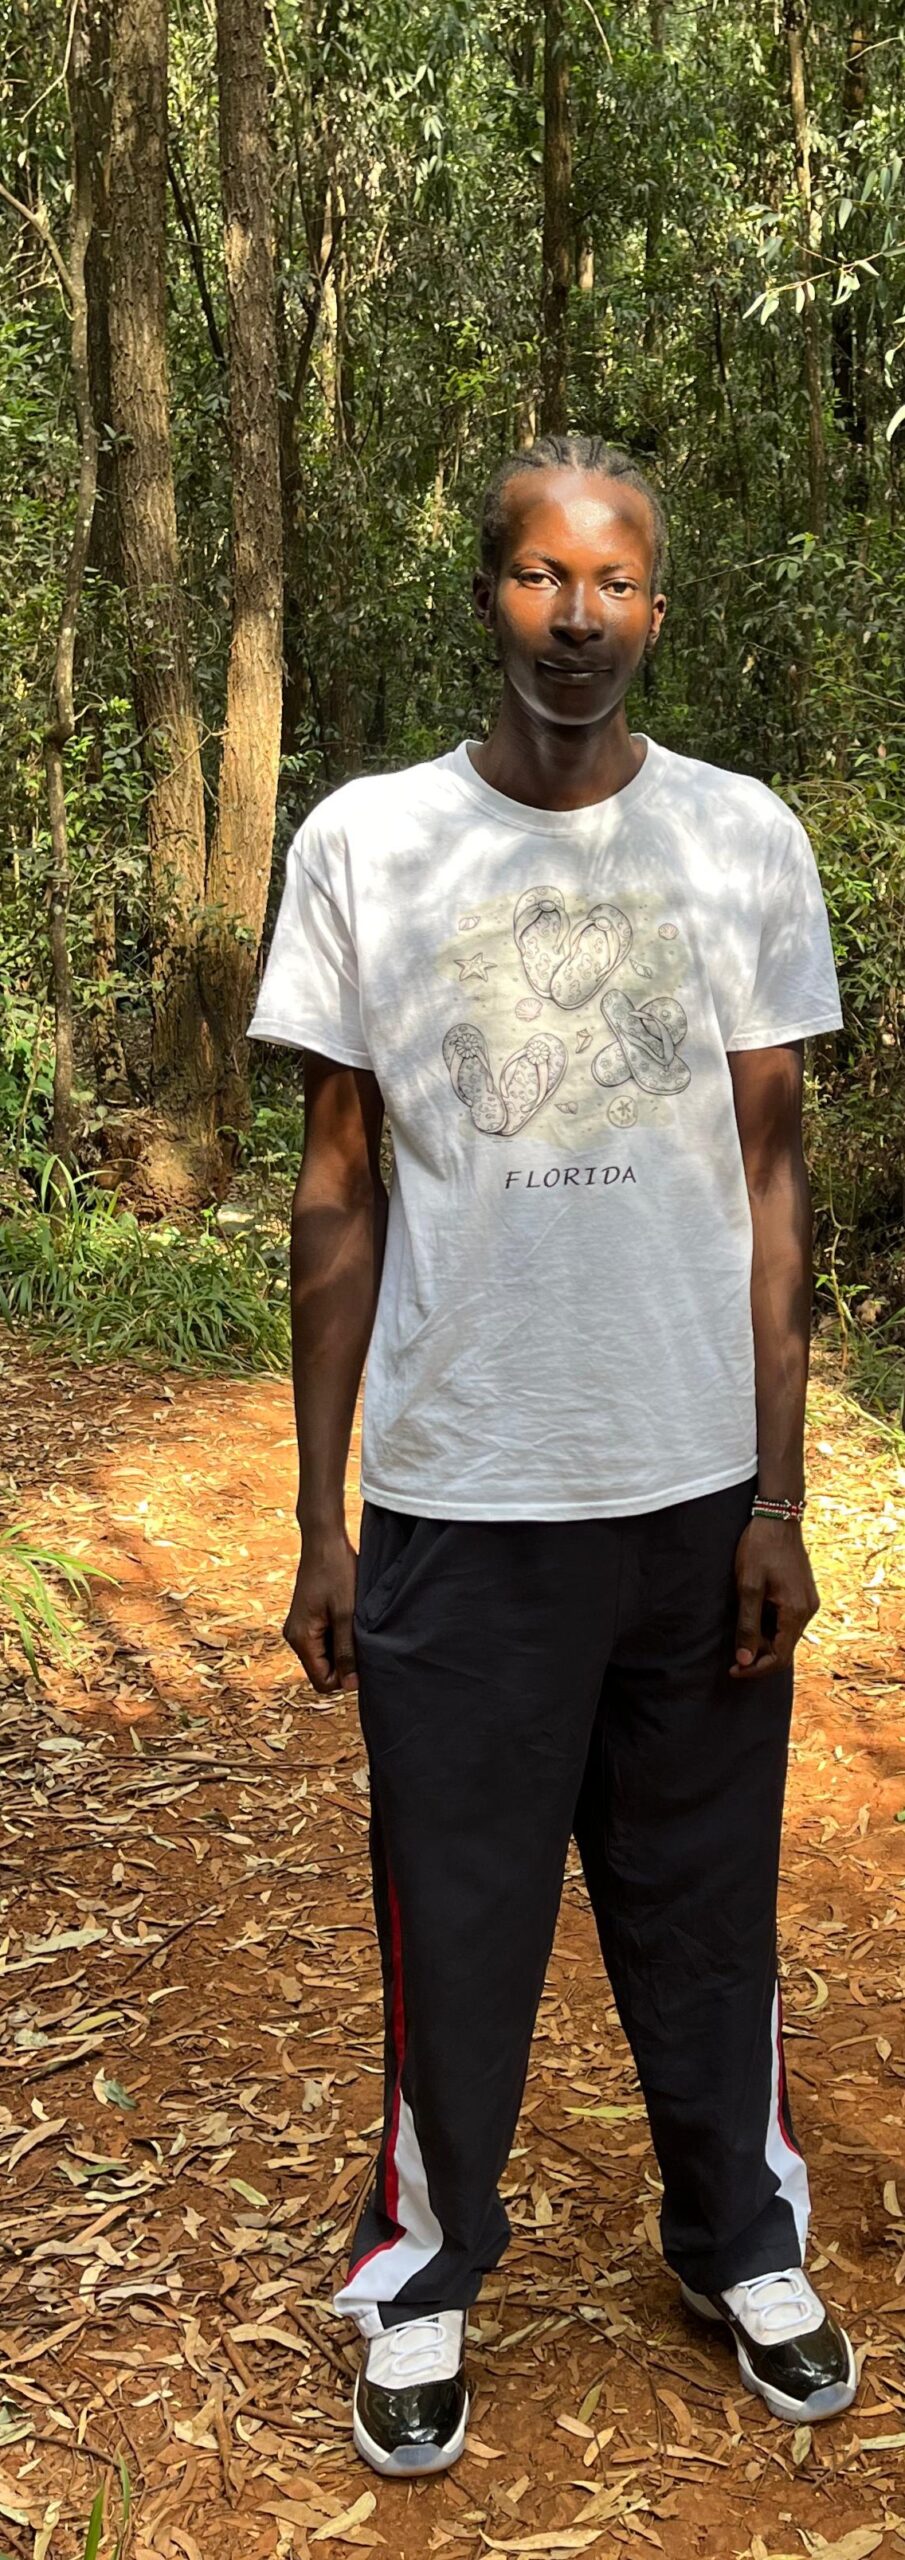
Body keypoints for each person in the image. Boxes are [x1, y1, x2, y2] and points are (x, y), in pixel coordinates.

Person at [248, 435, 857, 2480]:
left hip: (690, 1497)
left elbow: (771, 1180)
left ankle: (739, 2238)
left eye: (613, 583)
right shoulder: (369, 841)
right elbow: (338, 1187)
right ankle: (423, 2268)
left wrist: (778, 1493)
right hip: (460, 1493)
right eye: (538, 576)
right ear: (488, 594)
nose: (575, 618)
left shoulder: (741, 839)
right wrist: (319, 1515)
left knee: (704, 1901)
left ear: (655, 610)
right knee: (459, 1909)